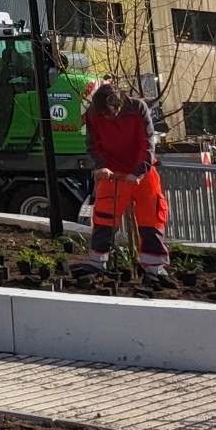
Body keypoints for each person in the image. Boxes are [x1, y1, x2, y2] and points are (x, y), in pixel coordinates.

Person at [75, 81, 171, 283]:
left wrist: (139, 172)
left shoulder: (138, 108)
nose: (108, 119)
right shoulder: (93, 114)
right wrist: (100, 166)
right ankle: (97, 262)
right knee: (104, 218)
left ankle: (155, 268)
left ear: (119, 105)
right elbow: (92, 145)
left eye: (111, 115)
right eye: (104, 115)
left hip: (142, 173)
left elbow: (147, 143)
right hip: (111, 173)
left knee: (151, 219)